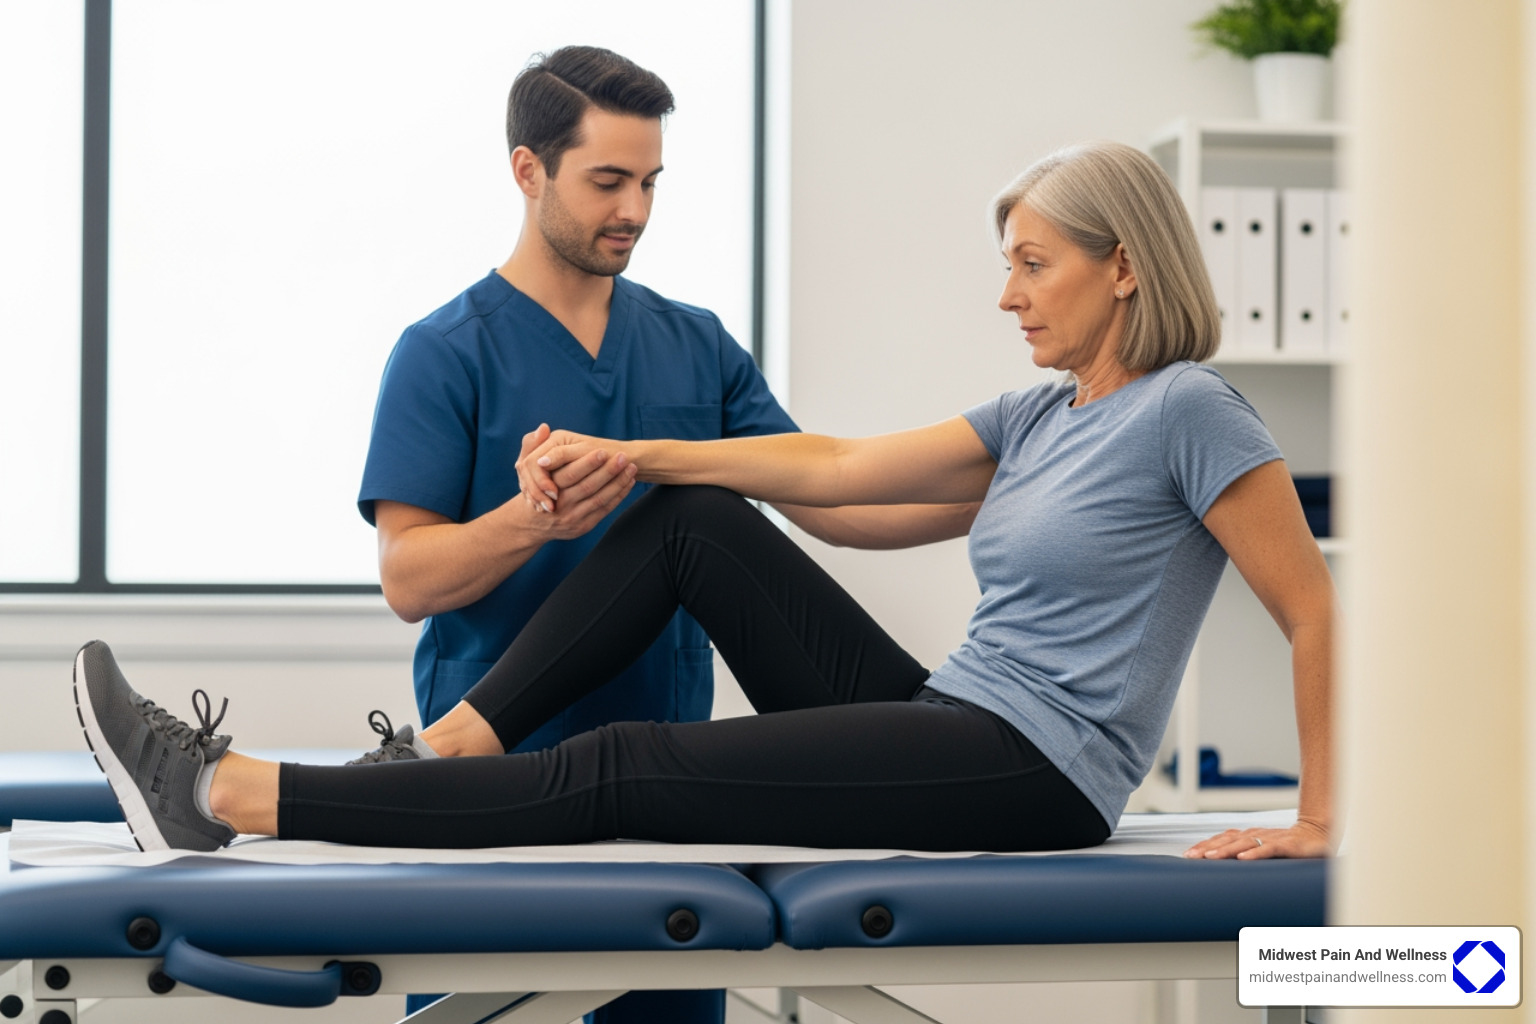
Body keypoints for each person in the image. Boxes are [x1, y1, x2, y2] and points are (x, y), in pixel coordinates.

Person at [77, 142, 1333, 877]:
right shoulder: (1042, 413)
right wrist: (641, 458)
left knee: (627, 764)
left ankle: (227, 791)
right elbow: (833, 468)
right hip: (953, 713)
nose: (1007, 294)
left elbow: (1313, 611)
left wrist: (1321, 818)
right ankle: (458, 739)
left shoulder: (1190, 410)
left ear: (1124, 266)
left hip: (1038, 768)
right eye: (1007, 262)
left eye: (1032, 263)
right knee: (694, 521)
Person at [361, 46, 973, 1022]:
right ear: (529, 171)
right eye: (607, 181)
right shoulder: (443, 354)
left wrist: (1011, 494)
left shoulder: (697, 342)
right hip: (497, 794)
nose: (634, 210)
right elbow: (408, 579)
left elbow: (834, 503)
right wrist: (534, 518)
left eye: (650, 182)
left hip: (671, 805)